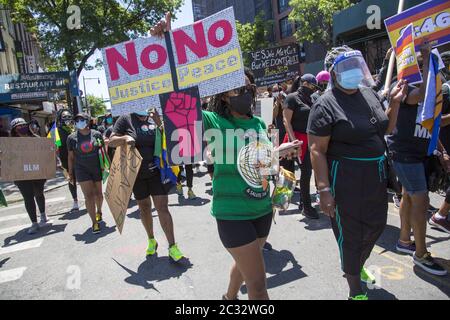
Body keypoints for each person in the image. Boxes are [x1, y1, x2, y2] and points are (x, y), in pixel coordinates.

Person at [308, 46, 407, 300]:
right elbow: (317, 150)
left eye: (355, 66)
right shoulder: (325, 105)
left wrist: (394, 103)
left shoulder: (369, 94)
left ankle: (354, 265)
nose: (353, 72)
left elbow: (384, 128)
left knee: (376, 225)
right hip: (345, 178)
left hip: (374, 174)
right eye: (346, 67)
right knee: (350, 233)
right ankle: (355, 289)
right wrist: (324, 190)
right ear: (333, 72)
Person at [387, 44, 449, 276]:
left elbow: (432, 122)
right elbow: (421, 95)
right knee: (420, 199)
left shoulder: (430, 87)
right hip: (404, 154)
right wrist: (426, 56)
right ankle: (421, 253)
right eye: (428, 65)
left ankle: (404, 240)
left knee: (409, 196)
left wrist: (440, 150)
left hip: (419, 153)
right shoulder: (402, 86)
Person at [108, 108, 184, 261]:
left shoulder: (155, 116)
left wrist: (159, 123)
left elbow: (171, 139)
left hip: (157, 172)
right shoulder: (126, 118)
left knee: (162, 207)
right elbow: (111, 141)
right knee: (144, 207)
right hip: (136, 174)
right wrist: (124, 139)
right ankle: (151, 240)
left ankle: (172, 246)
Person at [282, 74, 319, 219]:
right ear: (303, 83)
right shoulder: (292, 98)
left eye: (315, 87)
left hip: (310, 138)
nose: (313, 89)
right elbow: (286, 121)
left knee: (307, 172)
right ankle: (306, 206)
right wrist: (294, 141)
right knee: (299, 172)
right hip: (296, 139)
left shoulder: (312, 98)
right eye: (311, 86)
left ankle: (305, 203)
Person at [9, 118, 49, 234]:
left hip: (37, 172)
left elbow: (44, 154)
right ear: (14, 130)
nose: (21, 128)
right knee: (28, 197)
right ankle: (34, 223)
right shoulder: (10, 144)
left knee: (39, 193)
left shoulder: (36, 139)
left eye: (23, 125)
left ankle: (43, 215)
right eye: (18, 127)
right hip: (21, 175)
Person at [67, 113, 104, 234]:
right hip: (81, 170)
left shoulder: (96, 134)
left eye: (82, 120)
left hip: (96, 168)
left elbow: (103, 152)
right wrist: (70, 173)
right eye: (77, 120)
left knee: (99, 194)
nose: (79, 122)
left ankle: (99, 211)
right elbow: (71, 157)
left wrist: (106, 166)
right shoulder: (71, 138)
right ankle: (94, 222)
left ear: (87, 121)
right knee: (89, 196)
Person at [429, 81, 450, 233]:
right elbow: (435, 122)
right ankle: (440, 216)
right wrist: (442, 152)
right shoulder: (445, 90)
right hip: (445, 145)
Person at [56, 109, 79, 212]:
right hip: (65, 159)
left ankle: (89, 198)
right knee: (71, 180)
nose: (67, 119)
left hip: (79, 158)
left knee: (83, 178)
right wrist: (58, 161)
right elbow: (54, 147)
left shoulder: (76, 128)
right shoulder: (56, 131)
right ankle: (75, 201)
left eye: (69, 117)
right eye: (64, 117)